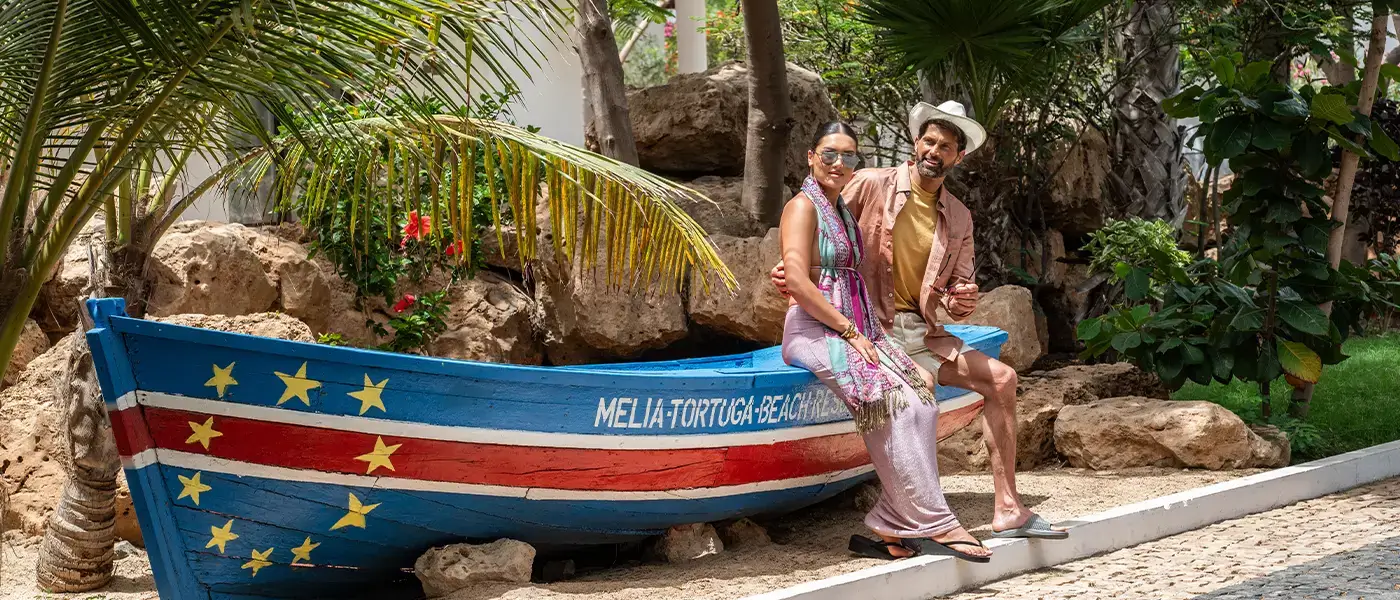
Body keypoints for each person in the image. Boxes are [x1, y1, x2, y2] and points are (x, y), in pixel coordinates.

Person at [773, 102, 1067, 541]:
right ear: (916, 143)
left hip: (924, 332)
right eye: (929, 141)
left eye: (946, 147)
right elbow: (819, 221)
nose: (935, 151)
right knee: (920, 389)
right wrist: (791, 273)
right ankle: (913, 512)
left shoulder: (960, 217)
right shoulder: (868, 183)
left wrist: (963, 299)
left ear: (957, 157)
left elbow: (959, 296)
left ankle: (1007, 508)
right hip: (871, 323)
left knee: (1003, 380)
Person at [780, 120, 992, 562]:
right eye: (830, 154)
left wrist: (863, 331)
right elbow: (798, 280)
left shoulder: (840, 209)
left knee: (922, 394)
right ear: (811, 156)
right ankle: (937, 522)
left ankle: (889, 522)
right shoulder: (803, 206)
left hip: (857, 327)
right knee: (890, 401)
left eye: (849, 156)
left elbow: (829, 272)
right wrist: (851, 333)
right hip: (818, 332)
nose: (839, 163)